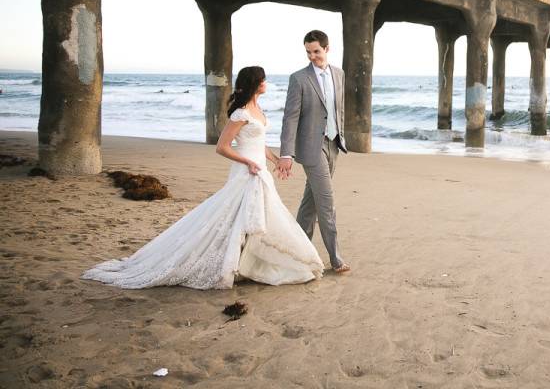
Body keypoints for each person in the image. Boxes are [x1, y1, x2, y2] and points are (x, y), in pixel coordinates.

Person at [82, 66, 324, 289]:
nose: (266, 83)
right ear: (255, 83)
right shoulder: (240, 114)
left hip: (259, 169)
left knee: (257, 216)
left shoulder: (257, 110)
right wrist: (248, 162)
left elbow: (258, 144)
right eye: (263, 80)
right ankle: (232, 263)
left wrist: (276, 160)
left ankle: (248, 263)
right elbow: (222, 147)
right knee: (235, 215)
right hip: (246, 171)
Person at [276, 30, 350, 274]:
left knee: (311, 204)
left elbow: (338, 109)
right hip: (310, 147)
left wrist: (341, 136)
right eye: (308, 52)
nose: (312, 56)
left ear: (327, 49)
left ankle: (298, 251)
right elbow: (290, 118)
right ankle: (335, 259)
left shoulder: (339, 74)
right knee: (326, 202)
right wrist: (286, 154)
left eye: (316, 51)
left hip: (333, 144)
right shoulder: (298, 79)